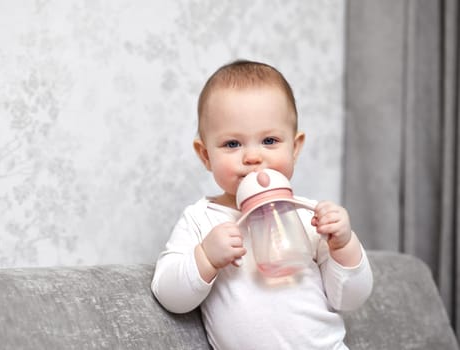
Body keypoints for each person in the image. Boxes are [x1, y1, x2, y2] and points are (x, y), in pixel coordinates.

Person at [151, 59, 373, 349]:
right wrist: (206, 257)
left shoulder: (311, 217)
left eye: (269, 140)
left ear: (295, 148)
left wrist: (343, 245)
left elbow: (350, 297)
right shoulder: (201, 220)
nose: (253, 157)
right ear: (205, 156)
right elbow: (169, 295)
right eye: (233, 144)